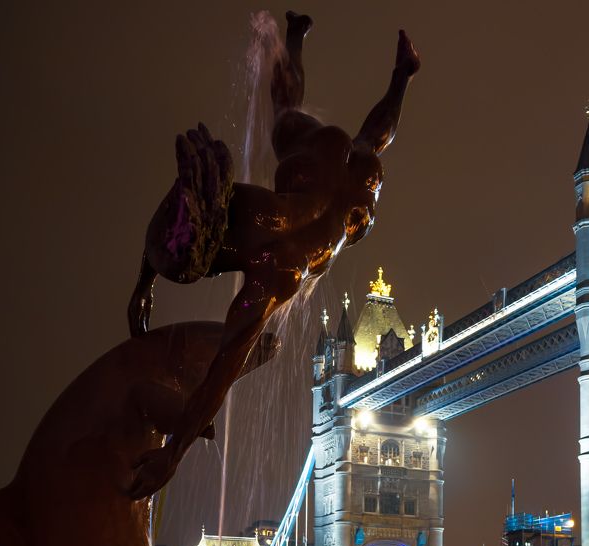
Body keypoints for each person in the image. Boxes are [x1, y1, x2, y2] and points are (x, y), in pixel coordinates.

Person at [126, 12, 420, 497]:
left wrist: (171, 458)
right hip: (328, 166)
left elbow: (222, 371)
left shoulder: (276, 270)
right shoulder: (243, 204)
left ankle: (385, 69)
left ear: (212, 261)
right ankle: (369, 62)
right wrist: (143, 281)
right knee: (296, 118)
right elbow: (190, 209)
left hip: (341, 186)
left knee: (354, 136)